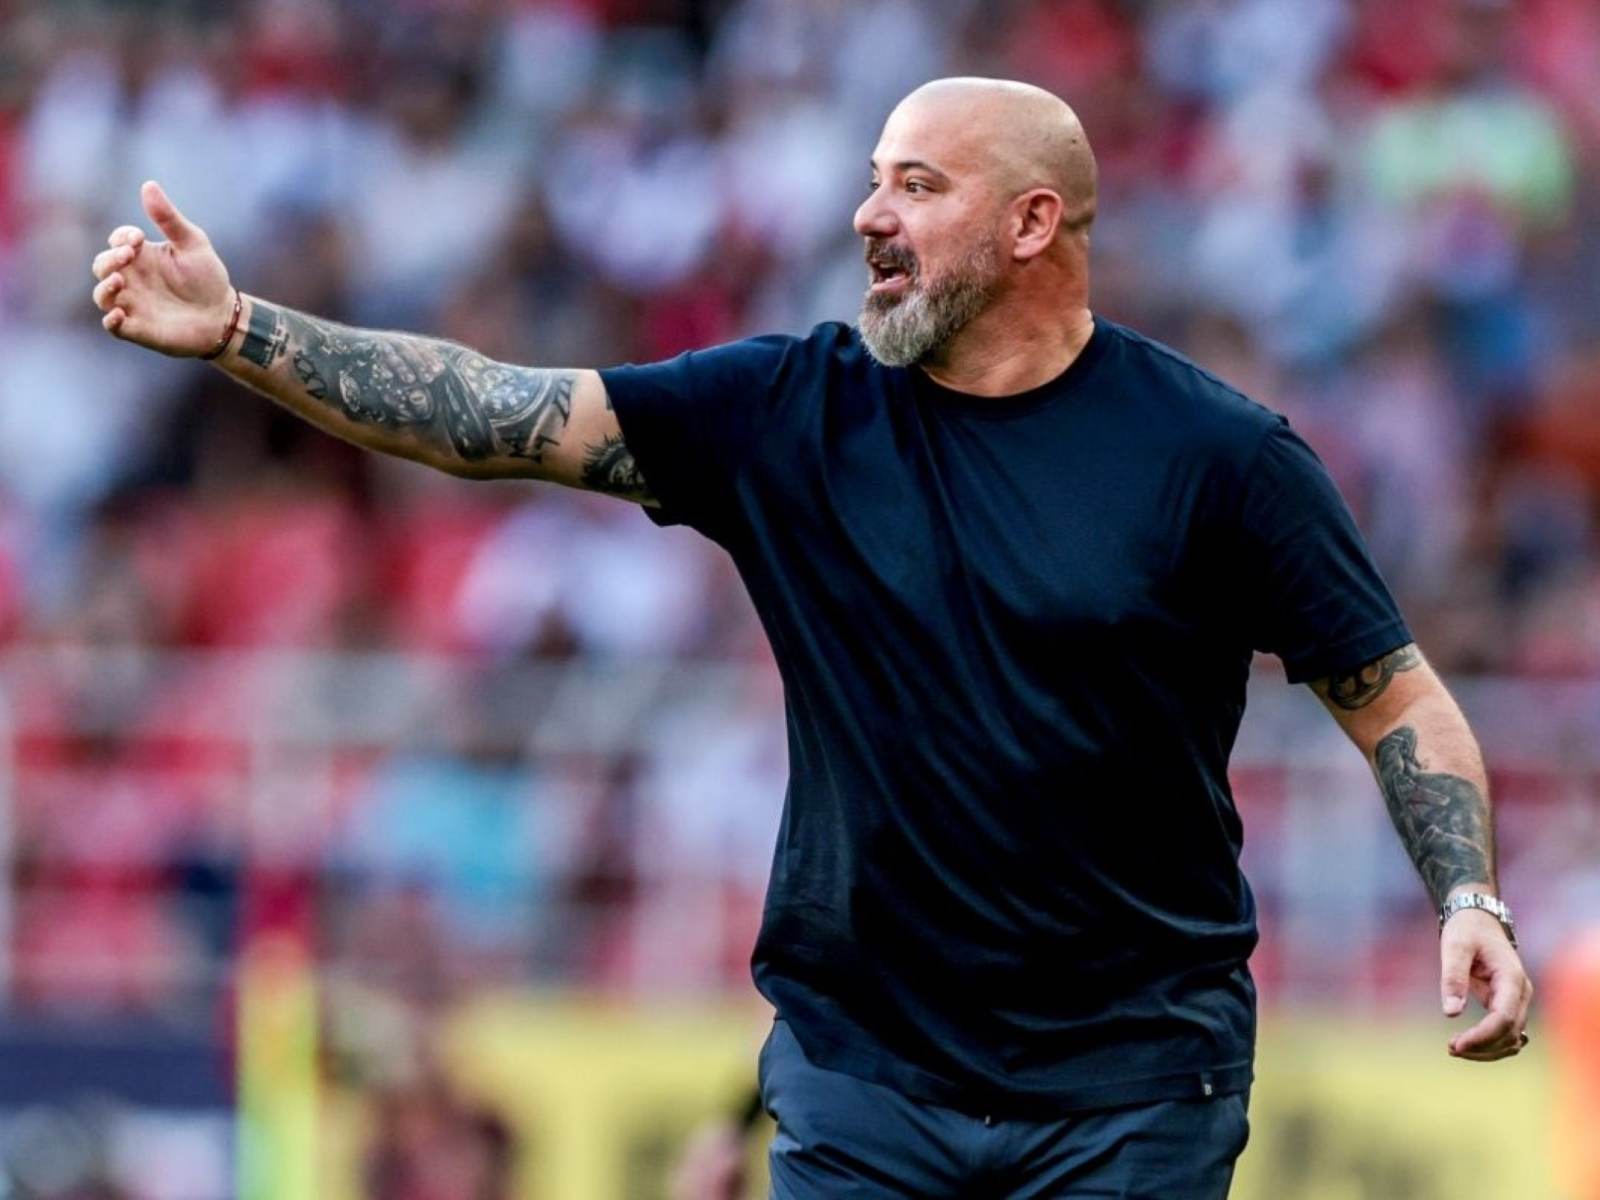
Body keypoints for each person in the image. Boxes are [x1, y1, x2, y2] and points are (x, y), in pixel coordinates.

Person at [91, 77, 1532, 1199]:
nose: (867, 215)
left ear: (1033, 224)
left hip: (1135, 1090)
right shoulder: (789, 413)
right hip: (863, 1082)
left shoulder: (1220, 459)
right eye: (870, 178)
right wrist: (242, 332)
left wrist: (1469, 897)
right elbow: (493, 414)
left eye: (917, 185)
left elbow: (1395, 698)